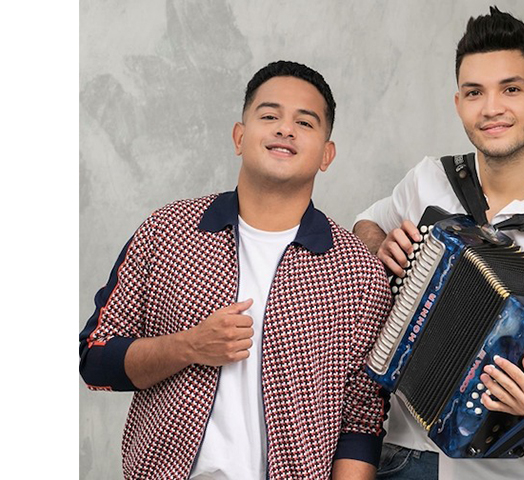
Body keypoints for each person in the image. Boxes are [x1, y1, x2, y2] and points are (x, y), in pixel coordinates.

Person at [79, 60, 393, 480]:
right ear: (239, 137)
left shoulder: (358, 272)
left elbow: (362, 416)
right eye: (270, 116)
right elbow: (95, 357)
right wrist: (189, 346)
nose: (285, 129)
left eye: (304, 122)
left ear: (326, 154)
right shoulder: (166, 232)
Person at [353, 6, 524, 480]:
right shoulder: (428, 180)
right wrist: (380, 244)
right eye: (475, 92)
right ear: (459, 103)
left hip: (502, 471)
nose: (491, 108)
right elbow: (366, 223)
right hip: (395, 455)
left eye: (511, 89)